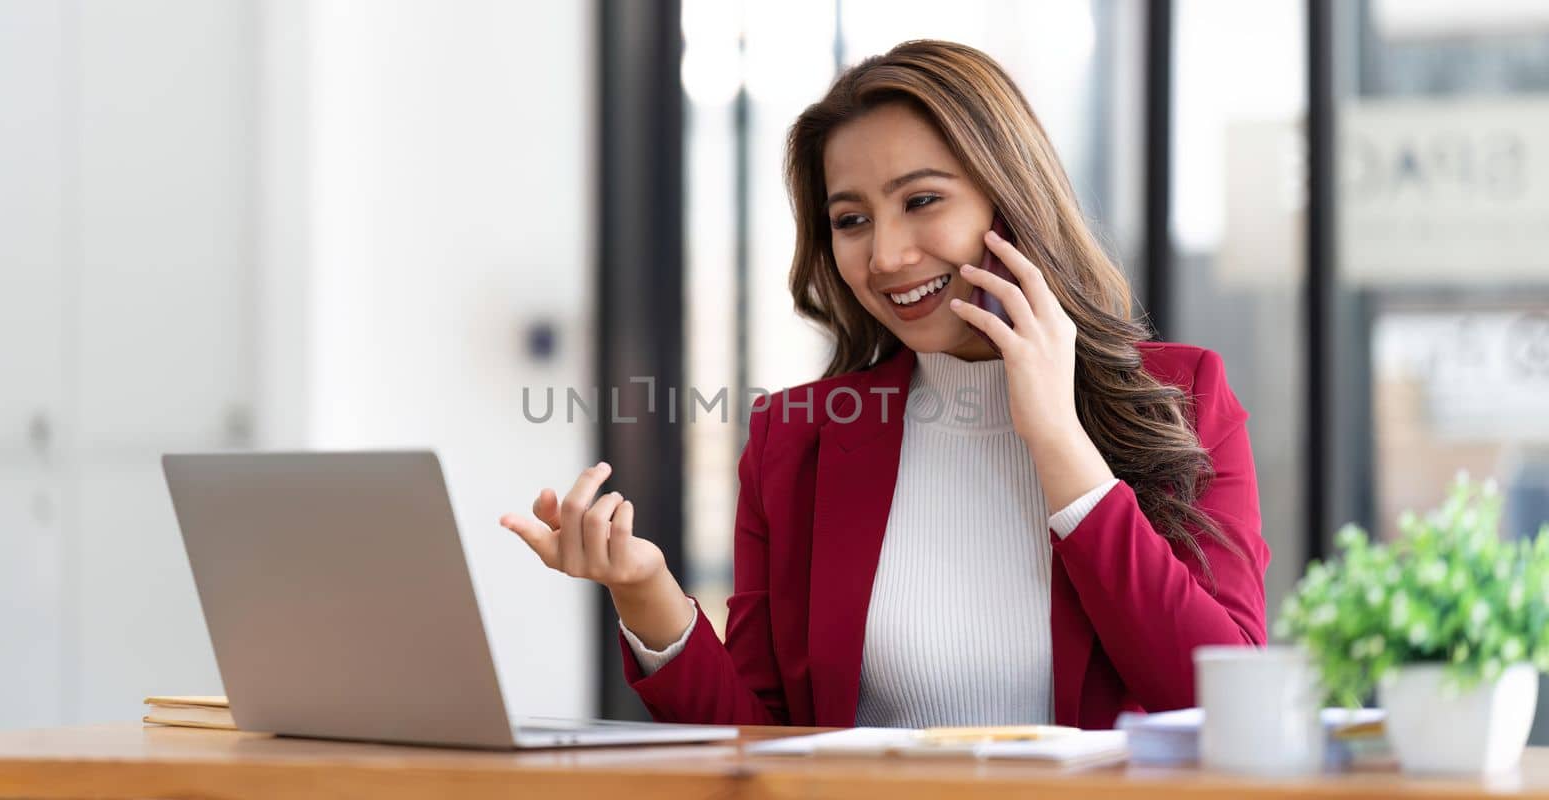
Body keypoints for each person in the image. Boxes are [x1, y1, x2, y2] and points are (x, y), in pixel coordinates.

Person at [498, 39, 1268, 730]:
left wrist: (1060, 443)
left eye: (922, 201)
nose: (887, 255)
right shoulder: (795, 439)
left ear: (1011, 201)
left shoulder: (1184, 397)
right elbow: (763, 743)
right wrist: (648, 593)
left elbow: (1216, 701)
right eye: (851, 220)